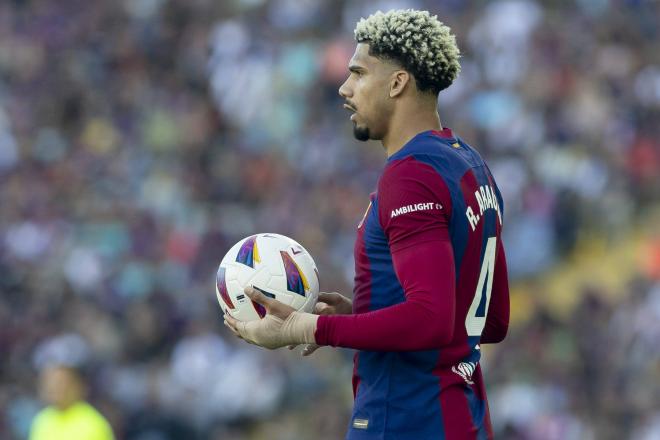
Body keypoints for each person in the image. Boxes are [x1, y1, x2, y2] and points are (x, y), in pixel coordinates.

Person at [225, 9, 510, 439]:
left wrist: (308, 327)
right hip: (463, 418)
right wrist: (364, 314)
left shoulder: (411, 174)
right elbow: (491, 319)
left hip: (406, 418)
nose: (344, 88)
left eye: (358, 73)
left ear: (397, 83)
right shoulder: (470, 165)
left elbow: (431, 319)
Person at [29, 365, 114, 440]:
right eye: (50, 384)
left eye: (60, 383)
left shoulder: (93, 423)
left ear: (76, 386)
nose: (54, 389)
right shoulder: (41, 420)